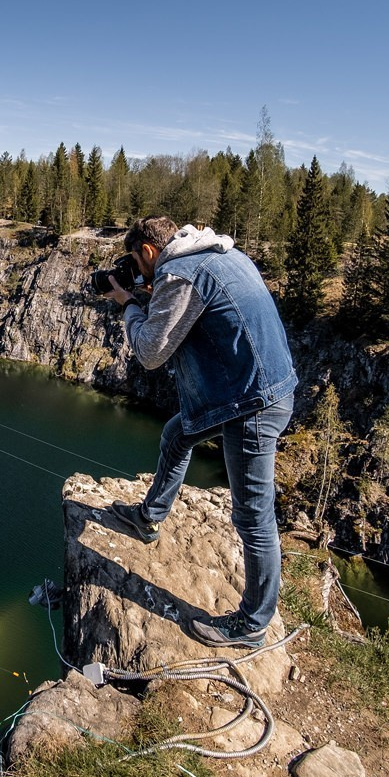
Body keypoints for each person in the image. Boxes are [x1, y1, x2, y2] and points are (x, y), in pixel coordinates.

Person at [101, 215, 297, 649]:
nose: (137, 270)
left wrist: (129, 304)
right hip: (251, 388)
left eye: (137, 261)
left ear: (148, 251)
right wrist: (149, 295)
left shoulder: (179, 274)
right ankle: (148, 518)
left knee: (253, 516)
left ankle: (252, 624)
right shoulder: (222, 253)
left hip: (251, 405)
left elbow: (151, 351)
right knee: (177, 435)